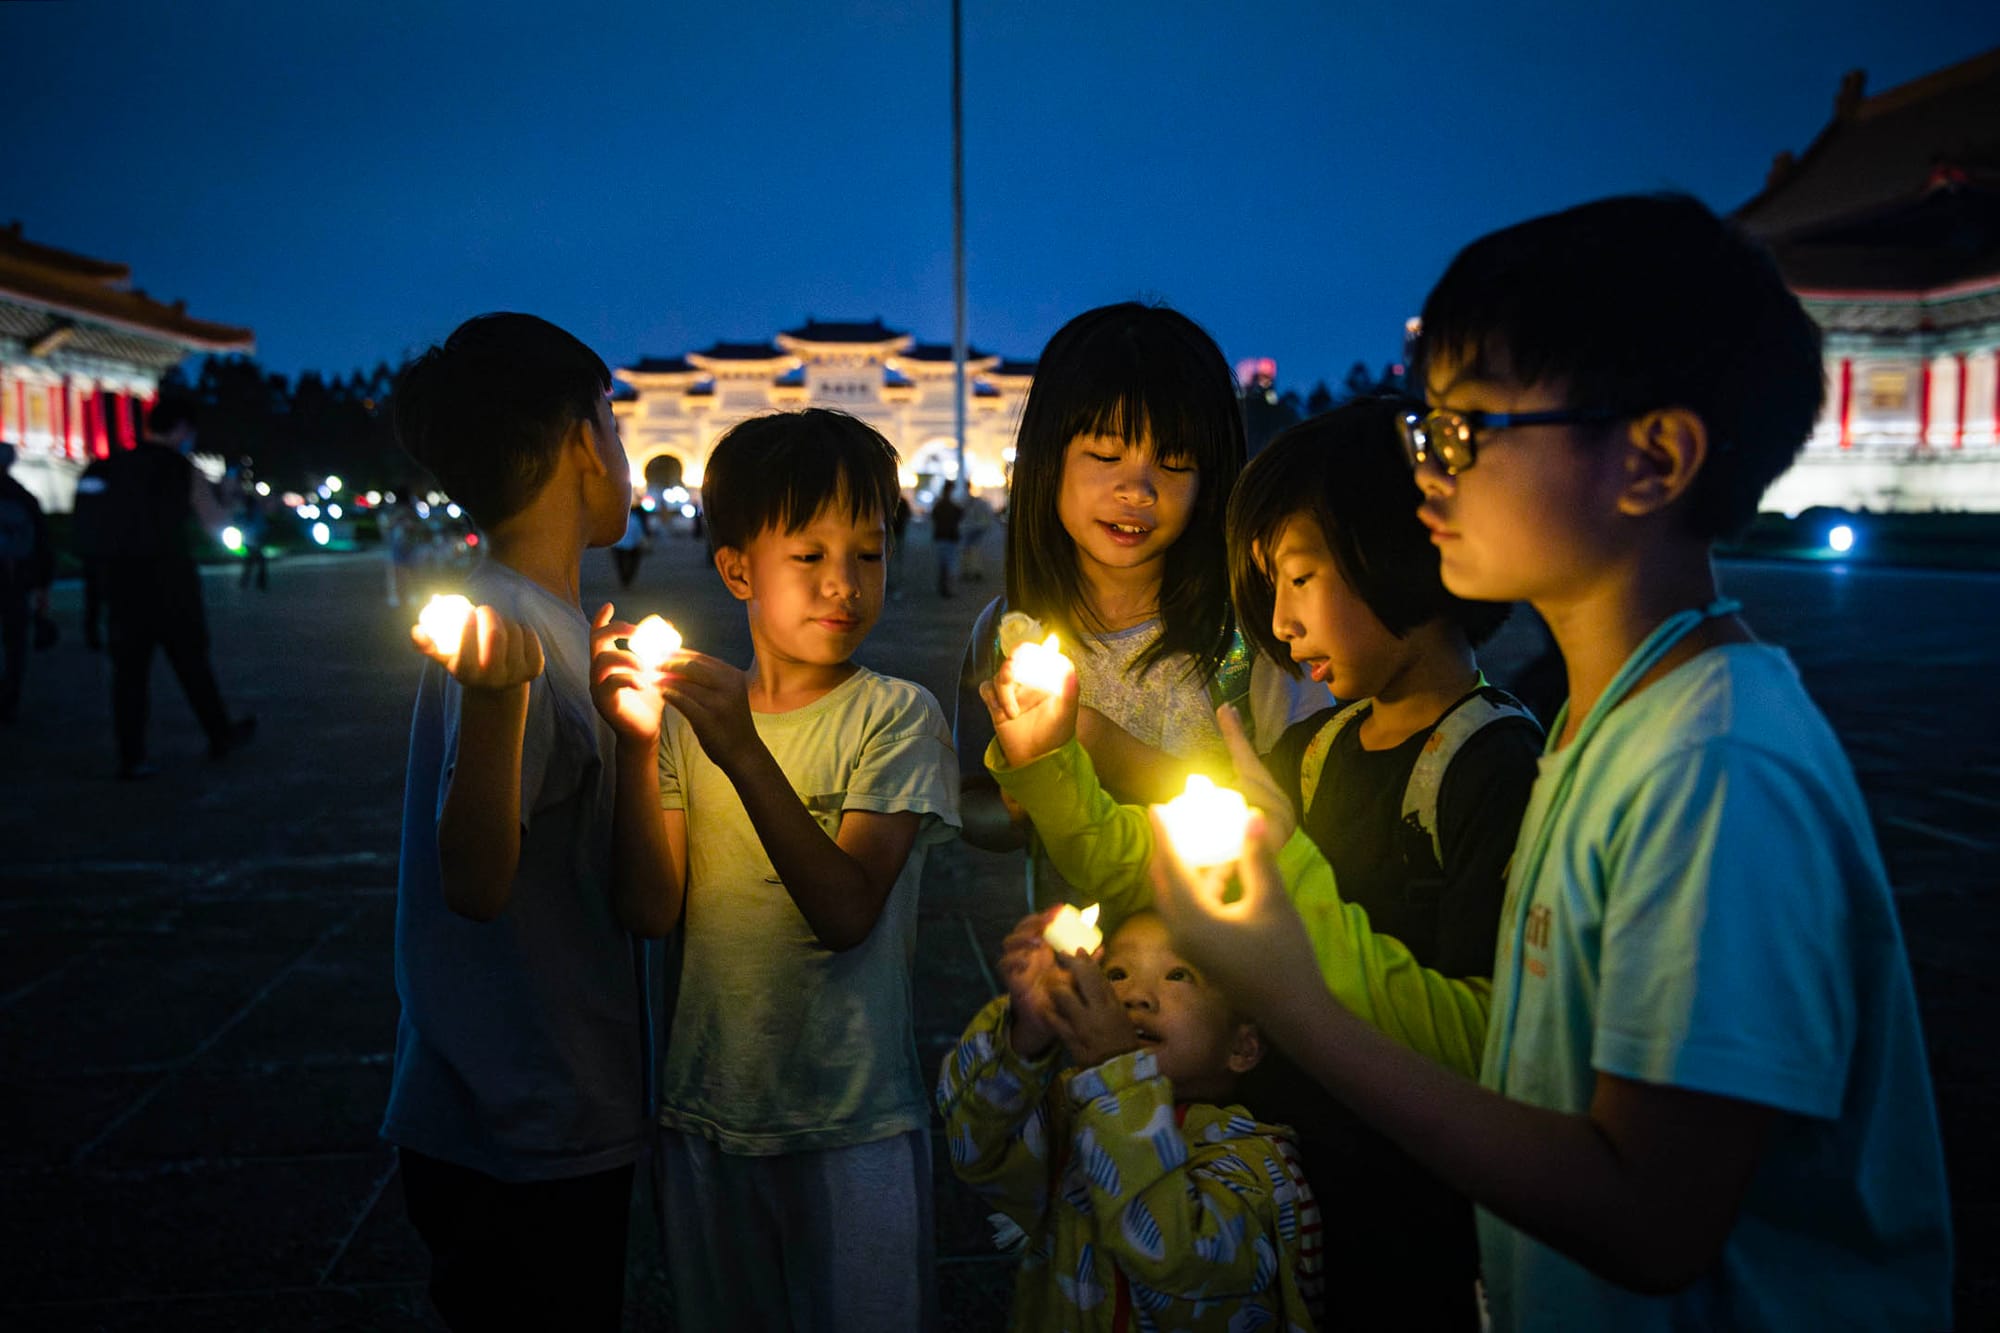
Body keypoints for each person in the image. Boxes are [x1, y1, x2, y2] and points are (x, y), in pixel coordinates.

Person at [1146, 194, 1954, 1330]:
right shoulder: (1604, 721)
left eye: (1466, 431)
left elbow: (1647, 1217)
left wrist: (1289, 987)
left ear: (1651, 457)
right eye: (1425, 428)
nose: (1425, 470)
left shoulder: (1712, 768)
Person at [978, 398, 1545, 1327]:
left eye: (1301, 577)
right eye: (1270, 587)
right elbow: (1147, 873)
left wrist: (1291, 886)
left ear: (1397, 548)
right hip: (1296, 1187)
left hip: (1411, 1212)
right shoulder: (1321, 747)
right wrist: (1048, 762)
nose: (1279, 621)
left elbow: (1485, 1042)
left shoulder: (1490, 767)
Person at [589, 407, 959, 1330]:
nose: (845, 584)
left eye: (869, 554)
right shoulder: (683, 721)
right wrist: (637, 751)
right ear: (737, 568)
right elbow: (648, 906)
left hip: (855, 1116)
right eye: (810, 554)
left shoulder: (896, 716)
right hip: (708, 1105)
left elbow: (844, 912)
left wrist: (745, 754)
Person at [381, 312, 652, 1332]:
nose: (619, 449)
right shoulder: (513, 635)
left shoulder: (529, 614)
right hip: (526, 1112)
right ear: (584, 438)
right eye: (614, 423)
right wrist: (501, 703)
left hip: (495, 1093)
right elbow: (477, 875)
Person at [953, 301, 1319, 901]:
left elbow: (1300, 815)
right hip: (1074, 975)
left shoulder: (1256, 632)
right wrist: (1018, 799)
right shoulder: (1003, 635)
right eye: (1105, 455)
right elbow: (975, 809)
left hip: (1234, 971)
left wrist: (1097, 748)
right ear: (1049, 460)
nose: (1137, 489)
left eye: (1174, 463)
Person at [938, 907, 1322, 1332]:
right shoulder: (1074, 1115)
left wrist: (1116, 1071)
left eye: (1179, 975)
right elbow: (975, 1149)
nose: (1136, 995)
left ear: (1243, 1046)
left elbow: (1175, 1256)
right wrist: (1025, 1034)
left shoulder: (1257, 1164)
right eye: (1117, 974)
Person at [92, 395, 255, 779]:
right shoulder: (183, 470)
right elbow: (214, 524)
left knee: (129, 674)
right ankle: (219, 734)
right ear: (181, 428)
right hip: (170, 581)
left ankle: (131, 756)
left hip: (122, 581)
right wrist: (229, 500)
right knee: (192, 663)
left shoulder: (110, 466)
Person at [0, 441, 55, 725]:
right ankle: (9, 698)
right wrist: (43, 586)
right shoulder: (24, 498)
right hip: (14, 580)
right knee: (14, 644)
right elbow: (41, 546)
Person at [930, 477, 964, 597]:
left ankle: (943, 587)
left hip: (941, 536)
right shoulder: (952, 506)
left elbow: (934, 516)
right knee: (951, 564)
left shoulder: (939, 505)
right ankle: (948, 588)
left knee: (943, 564)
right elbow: (960, 515)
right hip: (950, 537)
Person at [611, 498, 654, 588]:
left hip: (619, 544)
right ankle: (627, 579)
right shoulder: (636, 519)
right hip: (633, 544)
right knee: (633, 563)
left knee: (620, 563)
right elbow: (639, 533)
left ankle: (624, 579)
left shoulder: (618, 518)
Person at [957, 484, 994, 582]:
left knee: (966, 550)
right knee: (975, 550)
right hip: (977, 527)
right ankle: (975, 570)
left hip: (967, 528)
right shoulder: (980, 502)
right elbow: (988, 514)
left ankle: (967, 571)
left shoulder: (962, 501)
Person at [887, 491, 912, 600]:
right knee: (897, 559)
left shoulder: (890, 502)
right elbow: (908, 515)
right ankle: (895, 582)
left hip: (891, 533)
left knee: (889, 558)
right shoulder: (903, 503)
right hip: (899, 532)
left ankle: (889, 581)